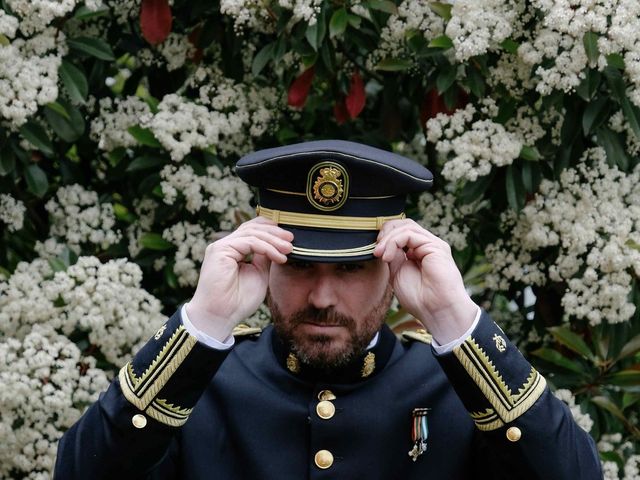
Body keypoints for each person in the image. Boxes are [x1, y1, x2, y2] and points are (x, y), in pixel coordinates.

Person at [54, 140, 602, 479]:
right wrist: (201, 324)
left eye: (349, 269)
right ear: (265, 265)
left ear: (391, 269)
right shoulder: (198, 385)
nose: (321, 297)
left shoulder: (458, 387)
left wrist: (456, 321)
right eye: (297, 266)